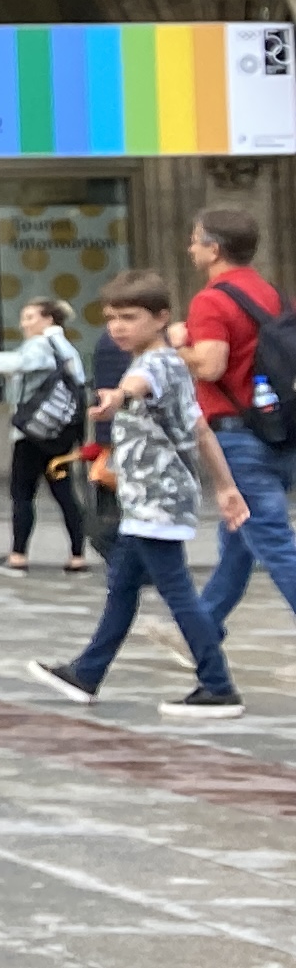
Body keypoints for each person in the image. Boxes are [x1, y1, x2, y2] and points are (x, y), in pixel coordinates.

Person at [30, 271, 252, 716]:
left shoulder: (154, 365)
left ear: (161, 318)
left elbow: (137, 388)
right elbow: (200, 429)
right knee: (122, 587)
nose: (117, 327)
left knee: (177, 591)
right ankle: (86, 673)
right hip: (149, 500)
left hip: (156, 500)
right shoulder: (169, 361)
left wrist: (115, 399)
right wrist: (225, 488)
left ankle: (218, 684)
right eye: (111, 317)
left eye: (129, 317)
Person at [189, 206, 296, 656]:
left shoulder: (211, 300)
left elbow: (211, 364)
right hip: (278, 431)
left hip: (236, 437)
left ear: (214, 249)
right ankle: (202, 627)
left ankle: (200, 628)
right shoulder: (275, 296)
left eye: (195, 240)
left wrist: (170, 349)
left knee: (274, 544)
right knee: (238, 542)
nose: (190, 248)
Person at [0, 297, 95, 576]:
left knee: (22, 493)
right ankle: (78, 555)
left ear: (48, 320)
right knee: (64, 492)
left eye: (30, 317)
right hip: (60, 433)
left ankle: (18, 555)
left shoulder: (41, 344)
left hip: (32, 433)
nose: (24, 323)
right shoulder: (66, 348)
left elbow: (22, 362)